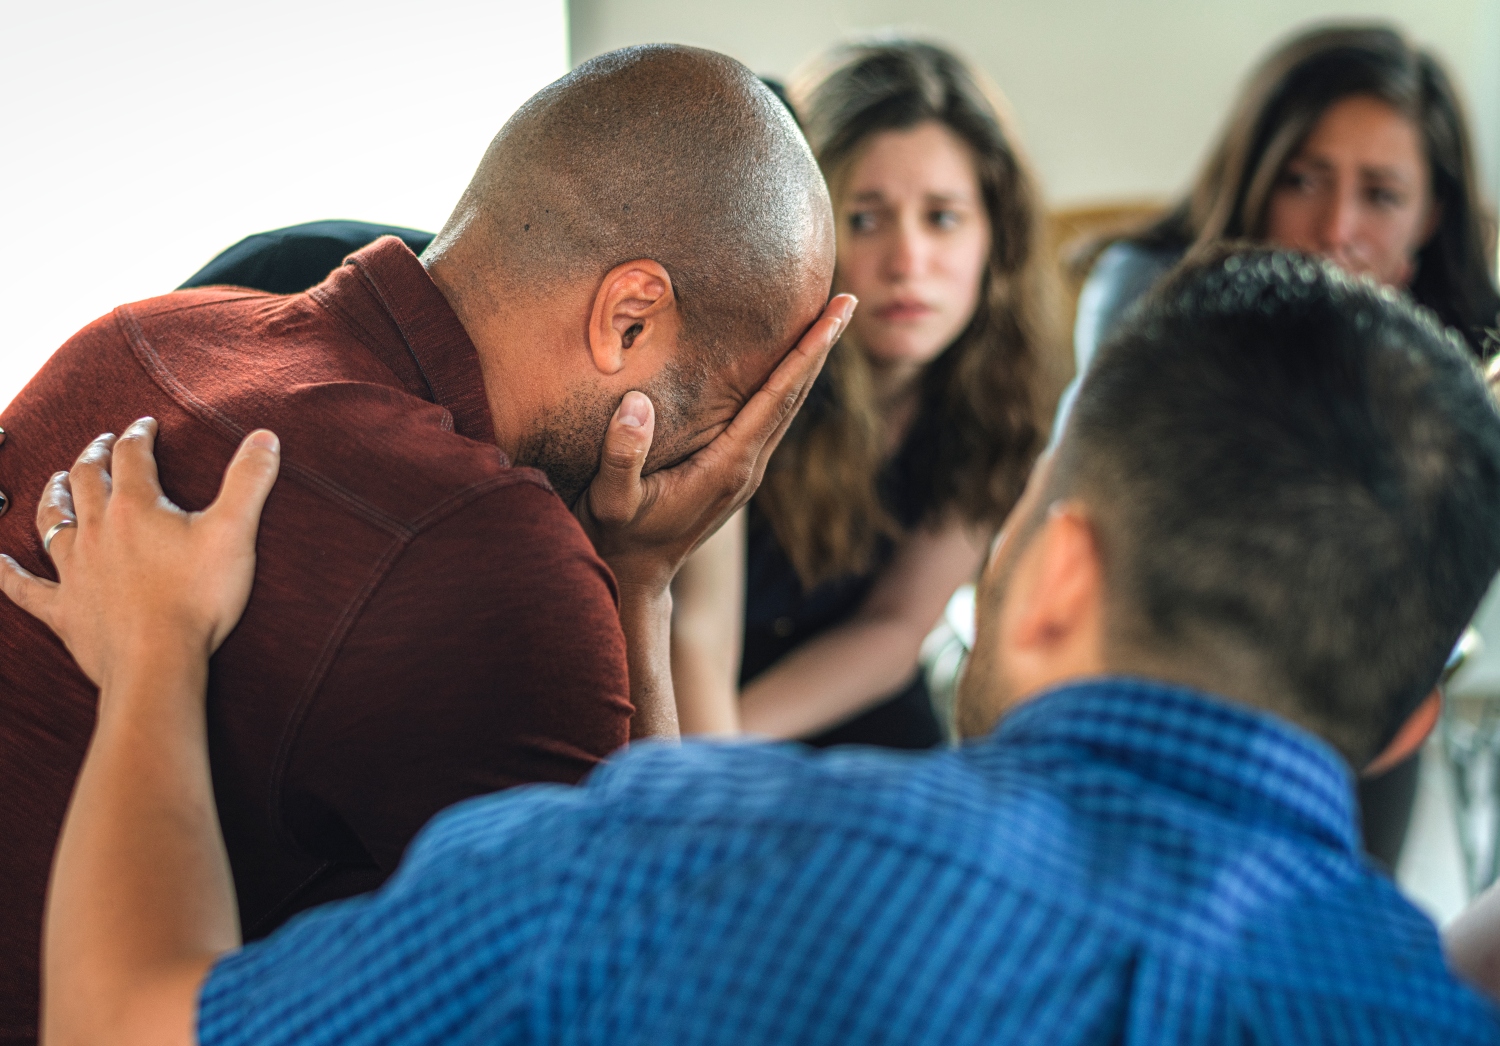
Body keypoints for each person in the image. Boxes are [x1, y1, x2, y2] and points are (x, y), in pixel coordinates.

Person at [14, 249, 1500, 1045]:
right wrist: (645, 586)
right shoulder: (1428, 1007)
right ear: (1406, 723)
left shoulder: (695, 864)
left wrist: (154, 655)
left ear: (1060, 571)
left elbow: (132, 1028)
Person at [0, 44, 850, 1044]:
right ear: (629, 317)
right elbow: (649, 983)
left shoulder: (139, 334)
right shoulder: (487, 553)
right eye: (738, 400)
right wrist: (642, 586)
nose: (730, 456)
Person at [1062, 23, 1500, 871]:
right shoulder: (1147, 289)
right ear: (1255, 177)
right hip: (1164, 663)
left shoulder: (1461, 354)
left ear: (1431, 217)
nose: (1336, 226)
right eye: (1304, 179)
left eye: (1380, 194)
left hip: (1363, 686)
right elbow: (1119, 522)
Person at [672, 40, 1059, 744]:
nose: (908, 262)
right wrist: (715, 778)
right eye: (865, 219)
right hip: (679, 697)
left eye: (942, 217)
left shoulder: (999, 398)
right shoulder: (738, 371)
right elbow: (695, 629)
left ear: (994, 239)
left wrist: (741, 748)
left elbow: (896, 628)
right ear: (801, 228)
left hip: (837, 692)